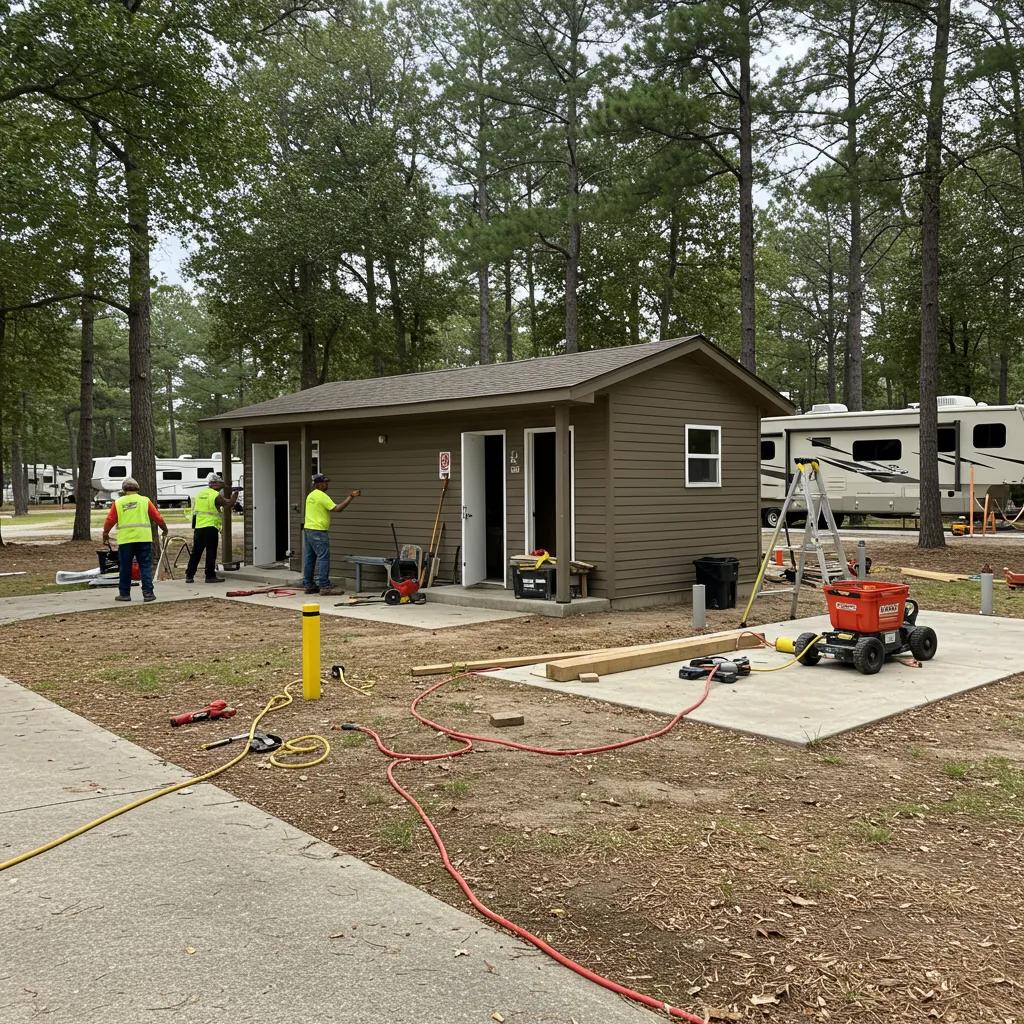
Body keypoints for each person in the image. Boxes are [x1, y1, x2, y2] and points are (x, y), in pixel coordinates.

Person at [101, 478, 169, 603]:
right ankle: (148, 593)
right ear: (137, 489)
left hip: (126, 540)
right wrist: (164, 528)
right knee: (145, 566)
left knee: (125, 567)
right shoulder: (145, 501)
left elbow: (110, 520)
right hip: (143, 538)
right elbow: (157, 516)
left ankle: (124, 593)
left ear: (123, 490)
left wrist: (105, 533)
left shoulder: (119, 502)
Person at [303, 472, 360, 595]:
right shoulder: (321, 496)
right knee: (323, 558)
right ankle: (324, 586)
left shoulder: (311, 495)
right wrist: (351, 496)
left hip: (308, 530)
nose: (327, 484)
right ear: (318, 484)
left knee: (310, 558)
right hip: (318, 531)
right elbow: (337, 509)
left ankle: (308, 585)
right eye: (324, 482)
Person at [185, 474, 240, 584]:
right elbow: (228, 504)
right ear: (215, 484)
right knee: (211, 552)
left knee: (196, 552)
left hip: (199, 527)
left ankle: (189, 575)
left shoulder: (200, 493)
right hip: (210, 527)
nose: (221, 485)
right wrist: (235, 495)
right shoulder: (215, 495)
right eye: (220, 483)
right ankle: (210, 576)